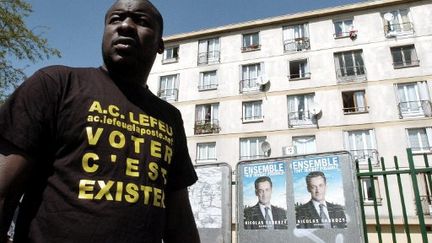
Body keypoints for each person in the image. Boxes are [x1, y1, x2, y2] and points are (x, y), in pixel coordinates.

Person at [0, 0, 200, 242]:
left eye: (141, 21)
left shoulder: (169, 117)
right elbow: (4, 191)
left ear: (160, 45)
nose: (125, 25)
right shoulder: (56, 85)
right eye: (115, 19)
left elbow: (179, 219)